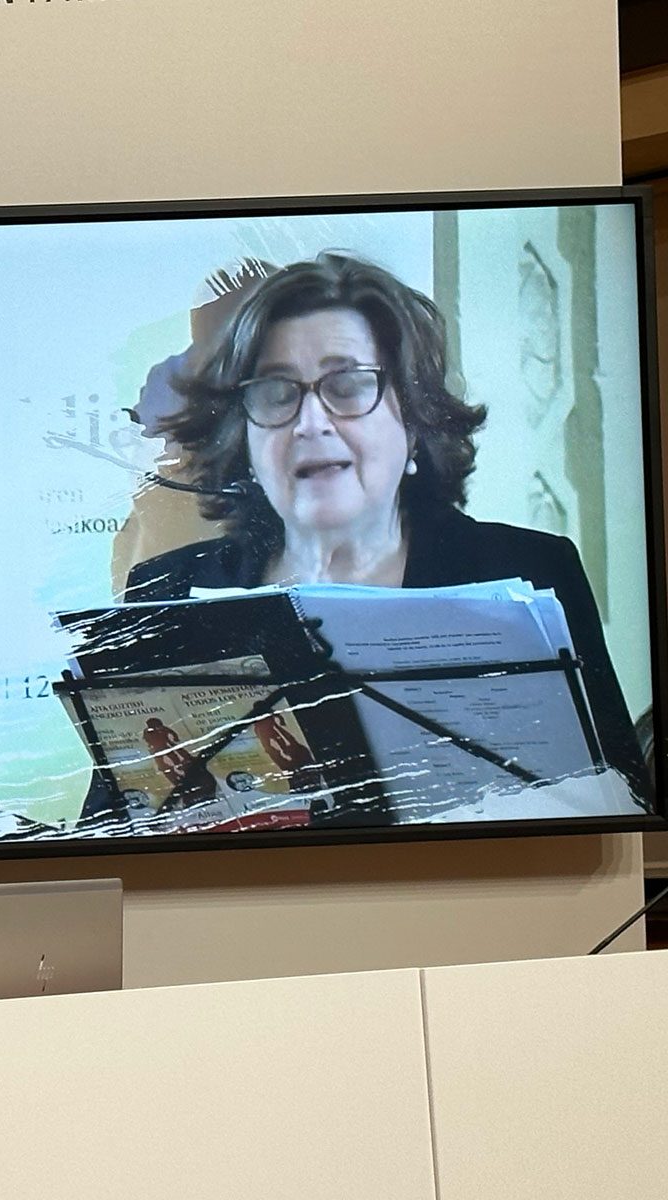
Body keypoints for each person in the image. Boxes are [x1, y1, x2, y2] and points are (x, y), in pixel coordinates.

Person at [126, 252, 647, 797]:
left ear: (416, 419)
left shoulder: (528, 571)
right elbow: (116, 823)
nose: (310, 423)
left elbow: (620, 806)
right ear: (246, 438)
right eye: (276, 392)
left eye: (347, 386)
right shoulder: (164, 594)